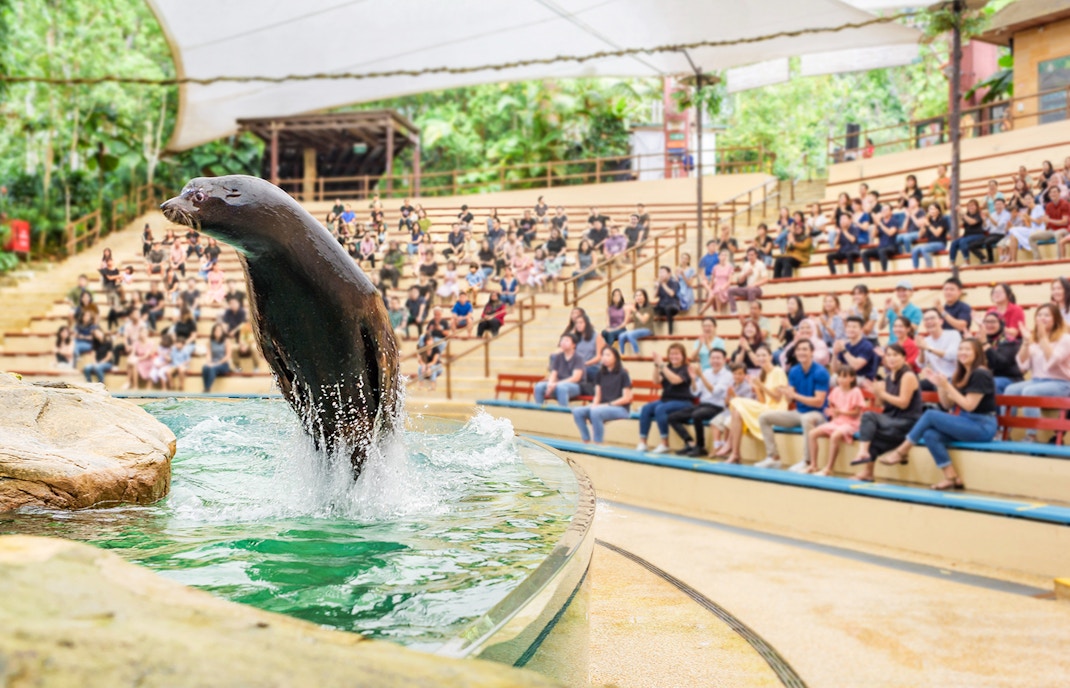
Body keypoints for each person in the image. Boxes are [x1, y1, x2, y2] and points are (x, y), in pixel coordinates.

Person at [880, 339, 997, 490]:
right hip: (965, 421)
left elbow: (969, 405)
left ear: (977, 353)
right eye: (960, 349)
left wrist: (947, 385)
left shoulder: (980, 373)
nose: (963, 352)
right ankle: (951, 477)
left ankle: (901, 451)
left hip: (982, 425)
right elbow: (947, 405)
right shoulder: (961, 374)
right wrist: (940, 385)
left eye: (968, 349)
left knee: (930, 414)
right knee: (930, 434)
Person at [849, 344, 924, 482]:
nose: (891, 358)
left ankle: (862, 452)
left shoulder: (908, 375)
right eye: (888, 355)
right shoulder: (889, 378)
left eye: (895, 355)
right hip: (892, 420)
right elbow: (881, 404)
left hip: (908, 421)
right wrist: (877, 393)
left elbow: (903, 403)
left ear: (903, 357)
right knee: (871, 435)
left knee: (868, 415)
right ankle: (868, 472)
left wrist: (882, 393)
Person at [753, 338, 830, 471]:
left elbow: (819, 402)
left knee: (807, 419)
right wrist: (786, 394)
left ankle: (807, 461)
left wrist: (794, 396)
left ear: (812, 352)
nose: (801, 352)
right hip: (799, 412)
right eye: (799, 350)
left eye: (805, 349)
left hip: (819, 415)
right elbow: (790, 399)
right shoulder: (794, 371)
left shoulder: (821, 372)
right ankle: (773, 457)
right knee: (764, 417)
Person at [1004, 304, 1070, 440]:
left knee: (1029, 392)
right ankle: (1004, 432)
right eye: (1039, 315)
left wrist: (1043, 337)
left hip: (1060, 383)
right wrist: (1026, 342)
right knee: (1010, 389)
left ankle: (1031, 434)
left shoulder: (1065, 339)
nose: (1042, 318)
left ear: (1055, 319)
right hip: (1036, 380)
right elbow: (1022, 366)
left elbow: (1052, 361)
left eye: (1046, 315)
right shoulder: (1034, 338)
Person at [717, 345, 788, 464]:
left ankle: (730, 445)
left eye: (764, 355)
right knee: (737, 411)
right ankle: (735, 453)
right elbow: (762, 401)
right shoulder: (762, 373)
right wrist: (755, 388)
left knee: (737, 403)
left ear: (770, 357)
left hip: (777, 409)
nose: (761, 358)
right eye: (758, 355)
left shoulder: (778, 371)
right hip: (766, 407)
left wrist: (760, 386)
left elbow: (777, 398)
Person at [668, 347, 733, 456]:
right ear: (709, 360)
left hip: (717, 406)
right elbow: (695, 392)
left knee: (697, 415)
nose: (715, 360)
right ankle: (690, 442)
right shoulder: (707, 372)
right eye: (713, 358)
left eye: (718, 358)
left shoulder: (727, 375)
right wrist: (693, 379)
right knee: (672, 417)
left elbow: (715, 392)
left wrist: (701, 376)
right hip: (703, 404)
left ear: (724, 360)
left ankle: (700, 447)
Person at [806, 364, 866, 475]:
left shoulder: (856, 391)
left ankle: (829, 468)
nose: (841, 379)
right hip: (837, 422)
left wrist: (841, 412)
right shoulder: (836, 390)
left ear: (852, 378)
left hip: (851, 423)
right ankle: (813, 465)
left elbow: (857, 413)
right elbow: (832, 409)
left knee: (834, 436)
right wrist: (831, 412)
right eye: (839, 376)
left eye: (845, 377)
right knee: (812, 433)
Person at [635, 344, 693, 454]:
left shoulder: (686, 369)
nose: (674, 356)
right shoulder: (667, 367)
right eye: (671, 354)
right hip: (666, 400)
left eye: (677, 354)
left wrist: (662, 366)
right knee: (646, 408)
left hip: (683, 402)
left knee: (660, 409)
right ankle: (643, 442)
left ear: (683, 356)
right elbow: (656, 381)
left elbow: (675, 380)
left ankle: (664, 443)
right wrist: (657, 365)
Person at [572, 347, 633, 445]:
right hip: (602, 406)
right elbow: (597, 395)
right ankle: (586, 440)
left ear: (615, 358)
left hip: (620, 408)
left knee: (596, 411)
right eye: (603, 355)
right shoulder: (600, 373)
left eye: (608, 355)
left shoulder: (623, 374)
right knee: (577, 411)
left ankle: (597, 443)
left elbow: (626, 398)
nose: (604, 358)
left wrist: (607, 405)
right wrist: (594, 405)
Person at [534, 333, 585, 406]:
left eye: (567, 340)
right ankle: (539, 408)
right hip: (557, 384)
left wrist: (556, 384)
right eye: (562, 340)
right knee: (539, 386)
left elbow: (575, 378)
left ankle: (563, 411)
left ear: (574, 345)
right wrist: (550, 384)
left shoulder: (578, 358)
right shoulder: (558, 357)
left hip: (575, 386)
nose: (563, 342)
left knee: (561, 388)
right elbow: (554, 373)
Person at [917, 308, 961, 391]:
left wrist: (928, 348)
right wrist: (922, 350)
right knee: (914, 387)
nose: (929, 321)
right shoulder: (926, 340)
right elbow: (921, 364)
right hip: (937, 379)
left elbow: (951, 356)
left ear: (941, 321)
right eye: (926, 319)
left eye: (932, 318)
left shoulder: (953, 334)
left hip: (954, 378)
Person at [979, 312, 1022, 393]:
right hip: (987, 377)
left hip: (1008, 378)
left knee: (992, 383)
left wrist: (985, 344)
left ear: (1001, 324)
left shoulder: (1010, 341)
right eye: (986, 322)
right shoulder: (980, 339)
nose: (989, 325)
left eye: (993, 322)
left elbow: (1000, 364)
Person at [832, 316, 880, 381]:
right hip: (846, 377)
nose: (851, 329)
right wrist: (834, 354)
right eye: (848, 327)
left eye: (854, 327)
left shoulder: (867, 345)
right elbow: (835, 370)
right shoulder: (845, 345)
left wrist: (844, 350)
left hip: (863, 378)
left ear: (861, 329)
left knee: (839, 381)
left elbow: (855, 366)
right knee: (830, 380)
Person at [860, 204, 901, 273]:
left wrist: (879, 223)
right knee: (864, 253)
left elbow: (890, 233)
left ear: (891, 212)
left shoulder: (894, 221)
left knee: (882, 251)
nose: (883, 212)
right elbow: (873, 235)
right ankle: (868, 272)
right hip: (881, 246)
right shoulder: (880, 222)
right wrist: (876, 224)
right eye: (882, 210)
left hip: (891, 246)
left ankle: (884, 271)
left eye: (886, 210)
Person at [727, 248, 767, 313]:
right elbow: (739, 282)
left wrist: (754, 285)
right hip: (747, 288)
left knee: (751, 290)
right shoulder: (746, 265)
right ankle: (734, 311)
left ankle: (753, 312)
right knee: (730, 290)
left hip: (759, 289)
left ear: (756, 255)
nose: (750, 257)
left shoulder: (761, 264)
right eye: (748, 255)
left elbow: (765, 279)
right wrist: (746, 274)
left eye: (752, 255)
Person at [911, 203, 949, 269]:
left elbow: (937, 233)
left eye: (933, 209)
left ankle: (929, 267)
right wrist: (923, 225)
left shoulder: (942, 220)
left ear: (938, 211)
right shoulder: (929, 221)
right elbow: (919, 235)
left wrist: (928, 225)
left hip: (940, 243)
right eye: (930, 209)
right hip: (930, 243)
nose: (931, 211)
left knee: (924, 249)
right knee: (914, 249)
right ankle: (915, 268)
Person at [948, 199, 986, 265]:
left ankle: (966, 261)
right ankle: (952, 262)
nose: (971, 207)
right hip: (968, 235)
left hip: (978, 235)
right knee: (954, 243)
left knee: (963, 241)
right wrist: (959, 214)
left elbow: (972, 222)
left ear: (976, 207)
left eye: (972, 205)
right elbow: (960, 223)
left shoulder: (979, 214)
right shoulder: (967, 215)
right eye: (969, 206)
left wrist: (963, 214)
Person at [617, 289, 654, 354]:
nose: (638, 297)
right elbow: (627, 321)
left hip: (647, 329)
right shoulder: (636, 308)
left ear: (645, 297)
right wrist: (627, 311)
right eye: (636, 296)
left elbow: (643, 320)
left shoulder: (649, 307)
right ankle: (621, 353)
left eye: (640, 295)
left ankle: (637, 352)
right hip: (636, 330)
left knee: (630, 334)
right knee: (621, 336)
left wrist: (633, 310)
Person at [700, 248, 734, 315]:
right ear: (718, 257)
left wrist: (723, 287)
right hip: (716, 286)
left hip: (725, 287)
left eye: (725, 255)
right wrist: (709, 290)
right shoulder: (715, 267)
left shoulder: (730, 267)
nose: (724, 257)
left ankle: (710, 311)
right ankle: (707, 311)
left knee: (717, 291)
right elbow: (712, 281)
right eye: (722, 255)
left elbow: (729, 281)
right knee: (714, 293)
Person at [201, 323, 232, 393]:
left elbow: (228, 356)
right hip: (213, 362)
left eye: (219, 330)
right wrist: (209, 362)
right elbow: (208, 354)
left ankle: (207, 389)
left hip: (223, 364)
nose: (217, 332)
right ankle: (206, 388)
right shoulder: (210, 341)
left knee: (212, 368)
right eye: (216, 330)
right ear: (213, 332)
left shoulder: (226, 341)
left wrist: (217, 364)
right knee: (205, 368)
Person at [653, 266, 681, 335]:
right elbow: (654, 296)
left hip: (673, 305)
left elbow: (672, 294)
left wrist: (663, 284)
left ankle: (670, 332)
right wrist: (657, 286)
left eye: (663, 272)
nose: (661, 274)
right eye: (660, 272)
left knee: (668, 308)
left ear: (669, 274)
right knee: (649, 309)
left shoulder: (674, 282)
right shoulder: (659, 283)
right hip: (662, 305)